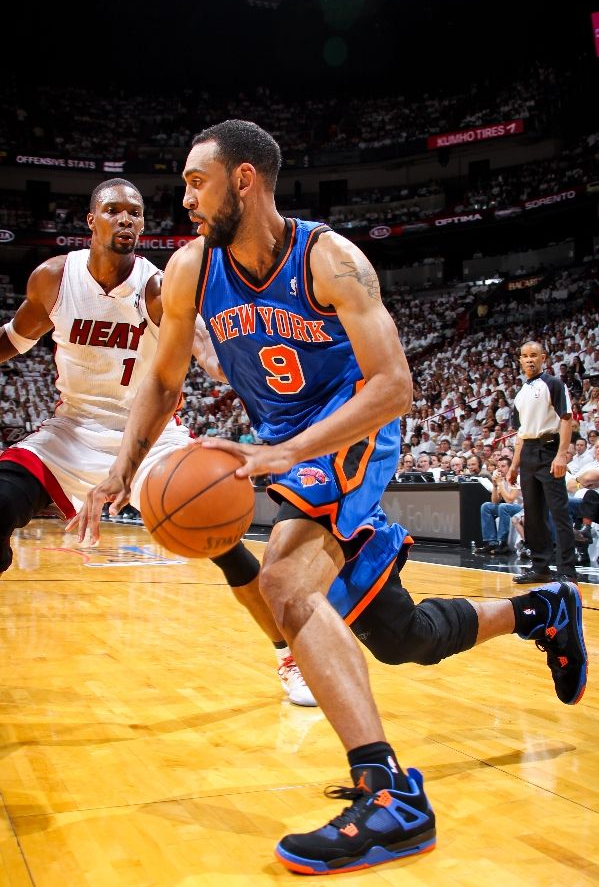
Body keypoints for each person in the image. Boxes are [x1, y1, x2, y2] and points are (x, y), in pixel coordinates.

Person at [76, 123, 587, 876]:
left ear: (243, 180)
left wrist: (284, 453)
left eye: (195, 181)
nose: (182, 198)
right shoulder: (190, 270)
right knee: (397, 633)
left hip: (352, 426)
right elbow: (161, 375)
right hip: (287, 443)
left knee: (284, 583)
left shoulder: (331, 259)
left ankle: (389, 796)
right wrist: (123, 466)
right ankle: (542, 608)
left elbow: (394, 386)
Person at [0, 177, 315, 709]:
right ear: (91, 221)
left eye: (136, 213)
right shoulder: (53, 279)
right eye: (115, 211)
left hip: (148, 436)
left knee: (224, 542)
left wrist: (230, 366)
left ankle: (291, 654)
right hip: (72, 430)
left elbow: (201, 347)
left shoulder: (156, 288)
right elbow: (12, 339)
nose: (127, 220)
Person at [508, 341, 578, 585]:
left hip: (549, 450)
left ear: (543, 358)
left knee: (559, 512)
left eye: (534, 355)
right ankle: (540, 566)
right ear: (520, 360)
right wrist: (514, 465)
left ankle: (567, 569)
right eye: (525, 356)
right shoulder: (520, 393)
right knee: (533, 513)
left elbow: (567, 419)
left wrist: (561, 454)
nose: (529, 359)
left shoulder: (553, 384)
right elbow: (520, 433)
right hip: (527, 452)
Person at [474, 456, 522, 555]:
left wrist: (499, 484)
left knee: (503, 507)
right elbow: (494, 501)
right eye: (498, 466)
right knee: (486, 506)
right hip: (509, 507)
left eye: (503, 466)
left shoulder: (515, 478)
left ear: (510, 467)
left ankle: (503, 543)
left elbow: (509, 500)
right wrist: (495, 486)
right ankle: (491, 542)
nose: (500, 469)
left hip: (522, 508)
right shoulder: (502, 479)